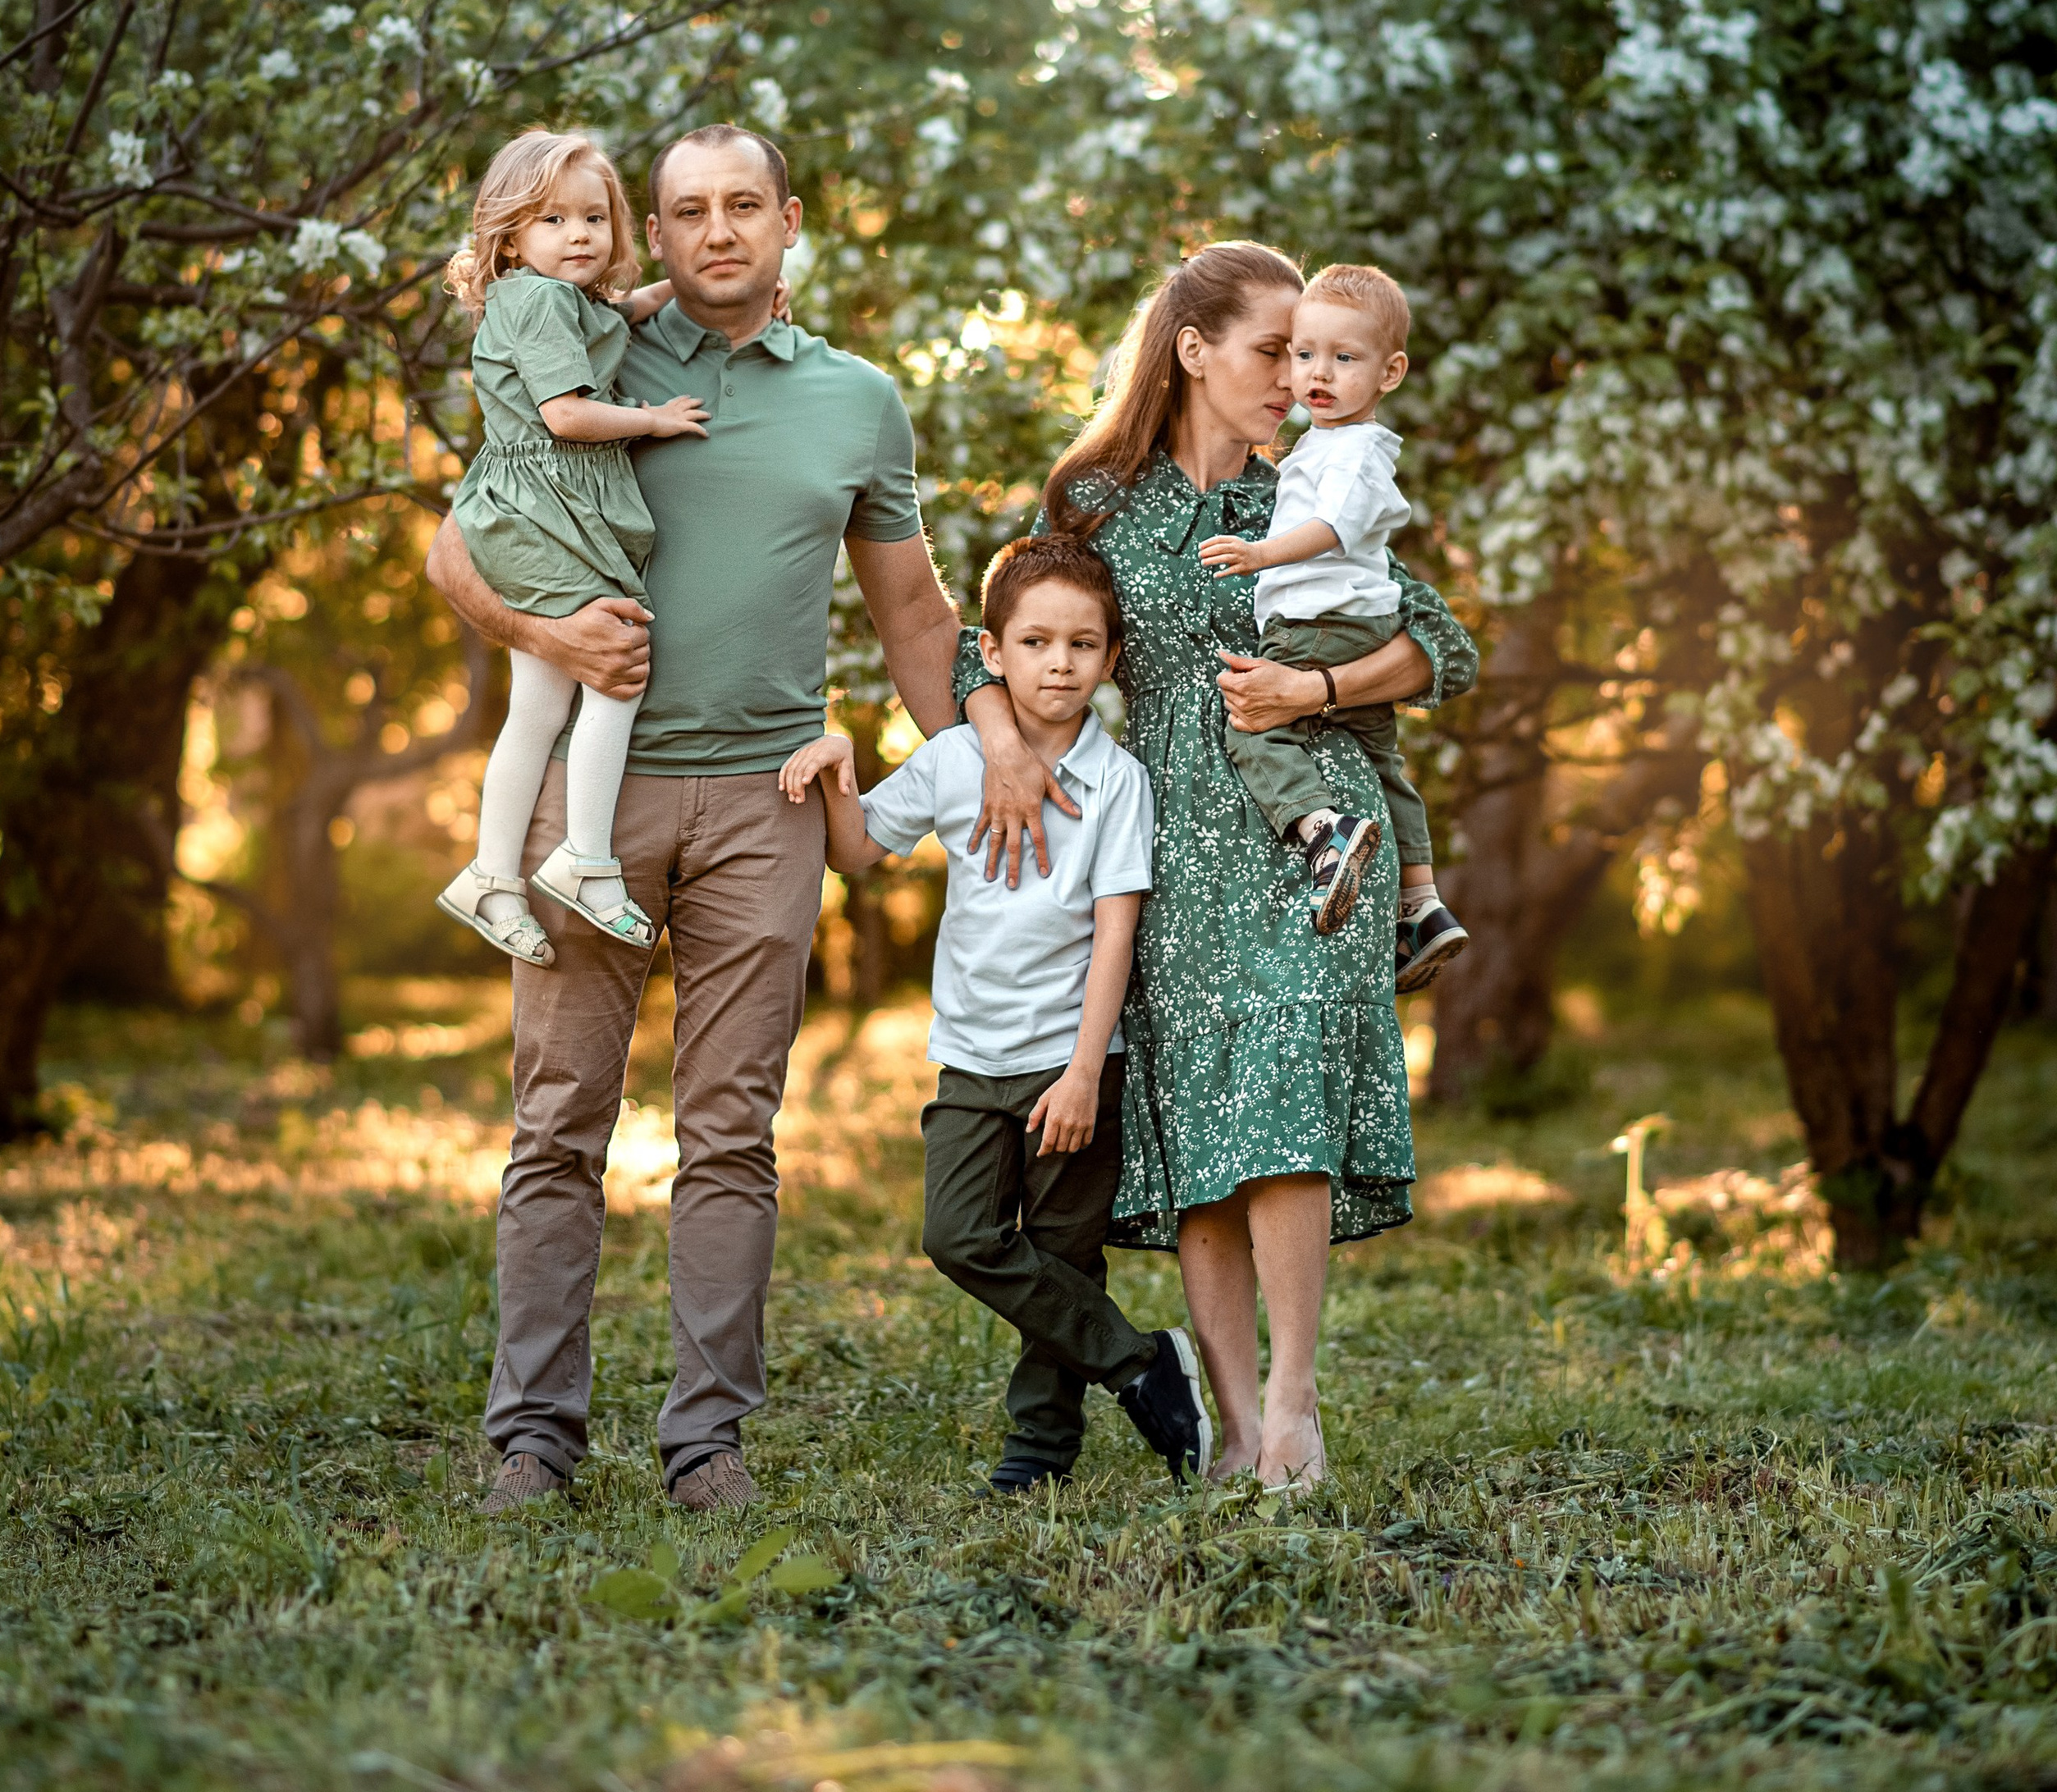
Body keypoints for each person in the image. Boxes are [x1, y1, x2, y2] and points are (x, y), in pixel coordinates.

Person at [426, 124, 962, 1515]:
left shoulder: (857, 402)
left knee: (731, 1131)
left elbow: (912, 610)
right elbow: (456, 543)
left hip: (767, 806)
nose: (716, 230)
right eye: (686, 211)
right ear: (650, 235)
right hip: (585, 803)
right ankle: (534, 1436)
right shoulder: (588, 350)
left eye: (743, 206)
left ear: (790, 223)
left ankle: (705, 1442)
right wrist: (544, 625)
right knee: (559, 1122)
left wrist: (988, 759)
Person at [955, 242, 1477, 1491]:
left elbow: (1442, 645)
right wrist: (1000, 749)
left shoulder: (1308, 492)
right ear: (1194, 351)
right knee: (1204, 1133)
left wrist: (1322, 684)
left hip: (1319, 832)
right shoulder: (1097, 502)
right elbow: (1004, 638)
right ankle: (1234, 1424)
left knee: (1288, 1089)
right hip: (1171, 844)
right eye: (1272, 351)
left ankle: (1296, 1410)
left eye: (1313, 355)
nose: (1299, 377)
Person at [779, 537, 1212, 1493]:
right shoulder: (952, 760)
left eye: (1082, 644)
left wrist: (1085, 1072)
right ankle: (1140, 1362)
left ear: (1109, 657)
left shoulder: (1118, 781)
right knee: (960, 1234)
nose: (1059, 663)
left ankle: (1039, 1453)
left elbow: (1115, 935)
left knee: (1062, 1253)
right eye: (1036, 641)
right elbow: (851, 851)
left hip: (1072, 1058)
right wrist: (838, 760)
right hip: (973, 1056)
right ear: (994, 651)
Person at [433, 129, 693, 967]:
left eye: (594, 216)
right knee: (614, 670)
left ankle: (490, 875)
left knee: (541, 708)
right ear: (510, 236)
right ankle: (584, 859)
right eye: (552, 218)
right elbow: (567, 415)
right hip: (544, 510)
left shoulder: (558, 298)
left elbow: (621, 318)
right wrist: (654, 420)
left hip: (535, 511)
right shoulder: (536, 300)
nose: (578, 233)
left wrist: (684, 289)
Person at [1197, 263, 1470, 988]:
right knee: (1386, 763)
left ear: (1391, 372)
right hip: (1355, 623)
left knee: (1251, 726)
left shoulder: (1352, 451)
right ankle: (1423, 903)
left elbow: (1330, 529)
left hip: (1318, 625)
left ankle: (1323, 831)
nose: (1311, 375)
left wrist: (1259, 554)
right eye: (1299, 353)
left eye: (1342, 359)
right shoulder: (1328, 443)